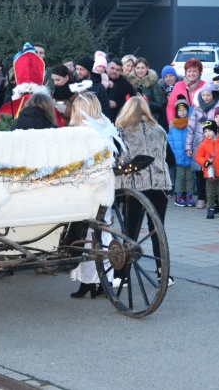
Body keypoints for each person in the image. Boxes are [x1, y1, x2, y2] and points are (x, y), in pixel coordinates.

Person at [115, 97, 173, 285]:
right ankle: (163, 273)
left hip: (135, 187)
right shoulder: (160, 130)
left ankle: (122, 275)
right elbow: (169, 158)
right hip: (159, 185)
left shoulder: (121, 132)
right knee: (158, 230)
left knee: (130, 231)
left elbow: (118, 161)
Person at [68, 91, 114, 297]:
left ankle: (97, 281)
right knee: (97, 233)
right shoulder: (105, 125)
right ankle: (90, 281)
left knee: (89, 234)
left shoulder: (86, 131)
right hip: (102, 185)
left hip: (89, 186)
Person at [186, 83, 219, 210]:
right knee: (199, 172)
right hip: (198, 144)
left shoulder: (216, 107)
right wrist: (188, 147)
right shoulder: (196, 109)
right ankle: (201, 197)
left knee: (212, 170)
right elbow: (190, 128)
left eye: (208, 95)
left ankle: (213, 198)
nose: (206, 97)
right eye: (203, 95)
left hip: (212, 144)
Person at [128, 58, 168, 129]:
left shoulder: (153, 83)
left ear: (147, 68)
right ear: (134, 69)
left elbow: (161, 106)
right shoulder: (130, 83)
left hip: (151, 120)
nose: (140, 70)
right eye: (138, 68)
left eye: (142, 68)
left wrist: (146, 102)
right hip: (134, 120)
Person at [169, 98, 193, 207]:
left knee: (190, 177)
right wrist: (174, 155)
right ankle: (178, 196)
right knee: (180, 177)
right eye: (180, 110)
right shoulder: (173, 126)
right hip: (178, 157)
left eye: (184, 110)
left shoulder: (191, 124)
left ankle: (189, 195)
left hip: (189, 156)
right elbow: (171, 142)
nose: (182, 112)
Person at [167, 58, 206, 123]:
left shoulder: (205, 86)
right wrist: (171, 121)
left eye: (195, 71)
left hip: (201, 123)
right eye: (189, 71)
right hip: (182, 123)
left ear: (199, 73)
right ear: (185, 72)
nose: (191, 74)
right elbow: (171, 106)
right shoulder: (178, 86)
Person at [106, 58, 134, 122]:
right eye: (112, 68)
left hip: (118, 119)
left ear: (121, 71)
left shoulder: (127, 86)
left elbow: (130, 103)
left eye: (118, 70)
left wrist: (116, 104)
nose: (114, 71)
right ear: (107, 68)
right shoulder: (99, 80)